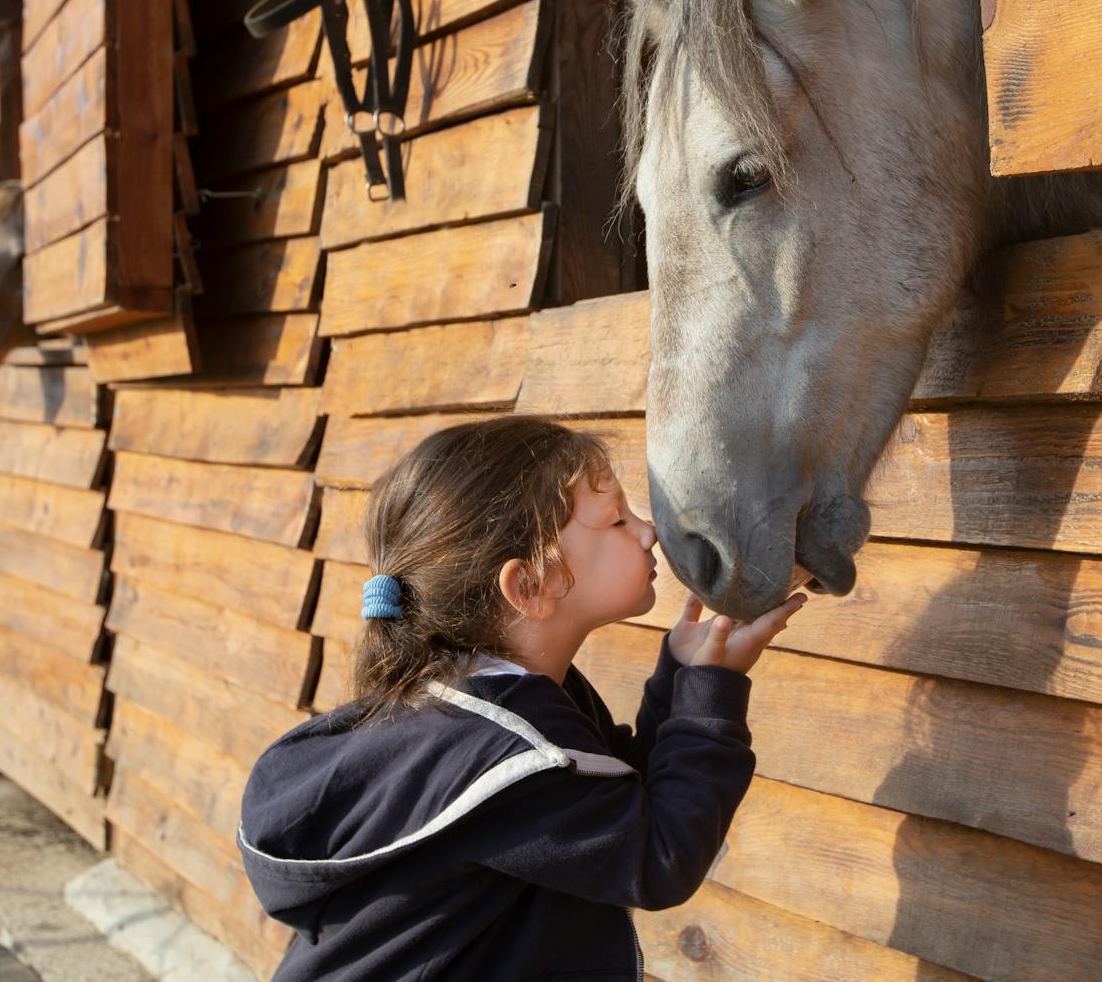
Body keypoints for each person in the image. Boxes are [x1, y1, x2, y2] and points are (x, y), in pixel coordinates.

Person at [238, 415, 807, 980]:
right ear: (531, 585)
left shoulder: (499, 701)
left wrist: (685, 678)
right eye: (614, 520)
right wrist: (712, 701)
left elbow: (615, 797)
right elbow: (657, 858)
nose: (647, 530)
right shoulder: (504, 753)